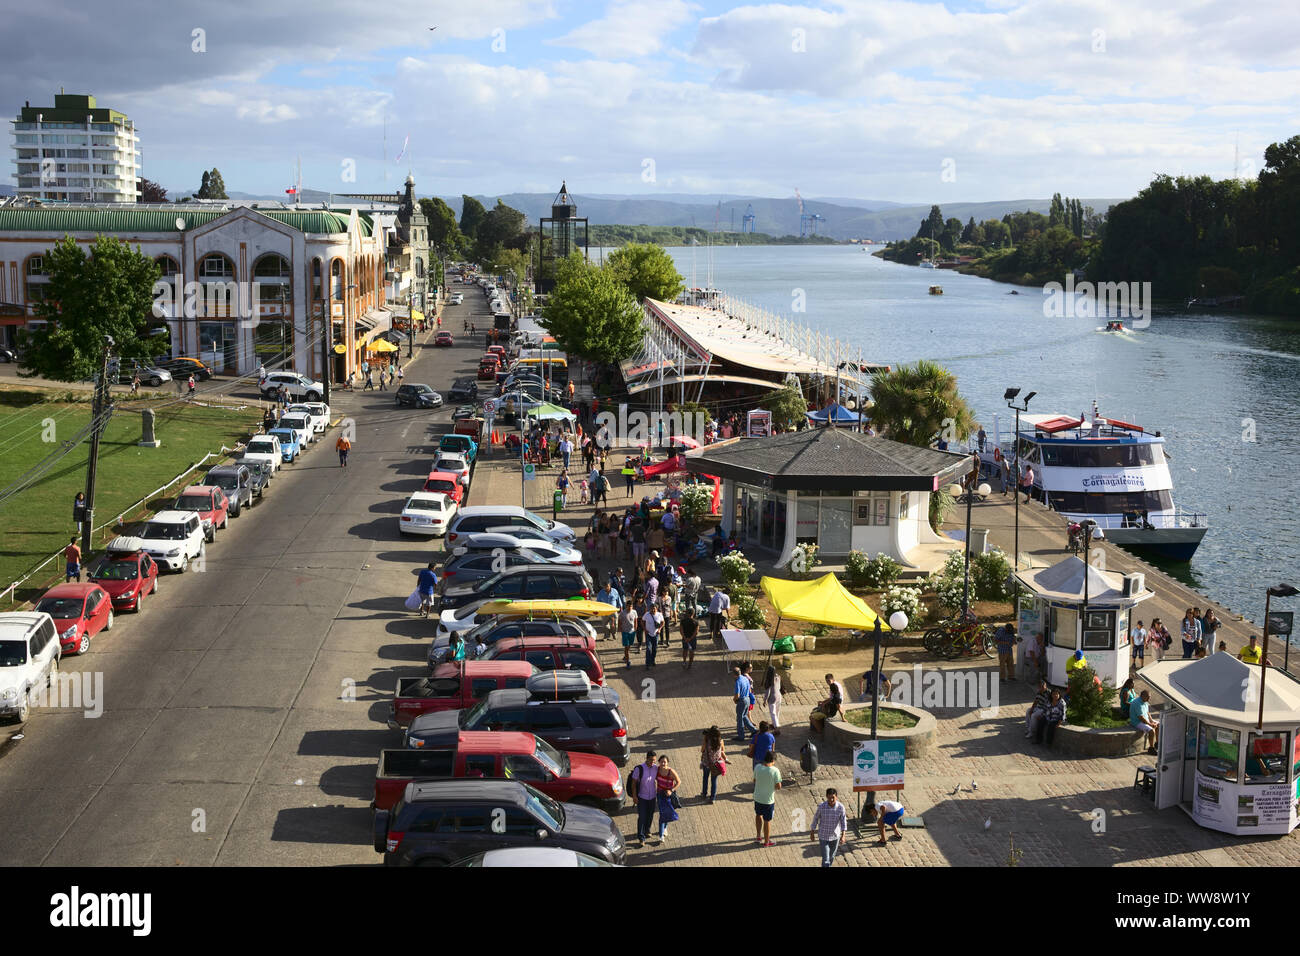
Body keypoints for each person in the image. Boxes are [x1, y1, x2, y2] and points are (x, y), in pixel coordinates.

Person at [809, 788, 850, 867]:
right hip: (823, 836)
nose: (831, 799)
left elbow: (843, 822)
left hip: (835, 837)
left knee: (831, 857)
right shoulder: (821, 807)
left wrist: (843, 835)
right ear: (826, 797)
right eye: (829, 797)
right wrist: (812, 832)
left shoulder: (841, 808)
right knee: (826, 858)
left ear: (836, 797)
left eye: (833, 797)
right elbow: (815, 819)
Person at [629, 751, 660, 847]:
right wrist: (634, 796)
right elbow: (633, 784)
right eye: (651, 760)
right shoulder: (639, 769)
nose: (652, 762)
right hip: (642, 797)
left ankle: (647, 830)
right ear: (646, 758)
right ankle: (641, 837)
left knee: (650, 815)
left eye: (654, 761)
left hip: (652, 797)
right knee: (642, 817)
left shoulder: (655, 768)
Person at [752, 751, 782, 847]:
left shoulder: (757, 767)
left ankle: (758, 836)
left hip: (757, 797)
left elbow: (754, 780)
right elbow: (779, 786)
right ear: (773, 760)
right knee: (767, 821)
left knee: (758, 815)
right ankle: (766, 841)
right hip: (768, 800)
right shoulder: (775, 771)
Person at [654, 754, 681, 844]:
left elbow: (679, 781)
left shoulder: (671, 772)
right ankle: (661, 835)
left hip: (668, 794)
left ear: (667, 762)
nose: (663, 763)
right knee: (662, 814)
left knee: (668, 812)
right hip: (660, 794)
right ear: (659, 762)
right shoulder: (657, 770)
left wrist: (671, 790)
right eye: (661, 761)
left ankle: (664, 828)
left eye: (665, 762)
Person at [699, 726, 726, 802]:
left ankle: (704, 794)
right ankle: (712, 798)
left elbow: (702, 750)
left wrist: (704, 740)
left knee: (705, 778)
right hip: (715, 764)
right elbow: (722, 751)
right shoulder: (720, 741)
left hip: (706, 762)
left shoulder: (707, 740)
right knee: (714, 781)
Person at [1129, 689, 1160, 754]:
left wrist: (1152, 721)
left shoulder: (1145, 701)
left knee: (1158, 725)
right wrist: (1150, 724)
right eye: (1148, 697)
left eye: (1149, 697)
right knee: (1151, 731)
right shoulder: (1137, 703)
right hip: (1137, 722)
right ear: (1143, 696)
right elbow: (1141, 718)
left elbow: (1147, 713)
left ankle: (1157, 743)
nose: (1149, 698)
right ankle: (1151, 748)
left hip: (1145, 720)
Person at [733, 664, 757, 742]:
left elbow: (737, 694)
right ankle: (753, 730)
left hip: (742, 701)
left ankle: (741, 736)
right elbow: (749, 689)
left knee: (739, 718)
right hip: (747, 699)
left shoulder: (738, 682)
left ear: (734, 675)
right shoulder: (745, 678)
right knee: (744, 716)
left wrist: (735, 699)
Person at [643, 601, 664, 669]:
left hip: (656, 635)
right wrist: (645, 629)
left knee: (654, 649)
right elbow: (642, 621)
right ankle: (647, 664)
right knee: (648, 649)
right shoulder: (647, 614)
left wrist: (659, 629)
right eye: (652, 608)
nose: (653, 610)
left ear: (657, 609)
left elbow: (663, 622)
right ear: (650, 609)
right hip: (648, 634)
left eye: (654, 608)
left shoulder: (659, 615)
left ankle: (653, 660)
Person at [763, 665, 783, 733]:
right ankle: (775, 724)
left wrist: (765, 700)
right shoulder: (778, 677)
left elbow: (768, 691)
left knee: (773, 713)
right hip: (779, 696)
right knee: (777, 711)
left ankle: (776, 727)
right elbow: (779, 687)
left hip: (772, 698)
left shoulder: (769, 680)